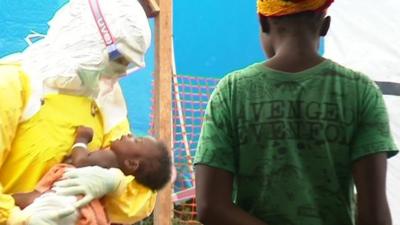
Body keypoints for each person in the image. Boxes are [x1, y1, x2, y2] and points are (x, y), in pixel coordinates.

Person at [194, 0, 398, 225]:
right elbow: (375, 215)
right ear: (325, 26)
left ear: (263, 22)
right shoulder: (361, 91)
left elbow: (210, 206)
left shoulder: (231, 91)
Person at [0, 0, 161, 224]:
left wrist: (113, 183)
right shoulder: (11, 84)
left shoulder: (106, 98)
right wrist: (19, 219)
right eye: (119, 60)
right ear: (89, 38)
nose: (120, 72)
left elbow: (141, 197)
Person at [12, 126, 172, 225]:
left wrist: (82, 139)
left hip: (66, 194)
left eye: (136, 141)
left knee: (32, 202)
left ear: (131, 164)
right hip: (72, 200)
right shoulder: (115, 171)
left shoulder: (110, 159)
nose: (129, 135)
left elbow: (81, 161)